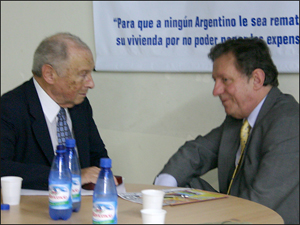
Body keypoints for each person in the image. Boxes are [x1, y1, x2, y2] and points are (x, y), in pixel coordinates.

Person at [154, 37, 299, 224]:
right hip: (235, 210)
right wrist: (163, 191)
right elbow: (196, 151)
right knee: (179, 183)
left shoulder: (290, 123)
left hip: (261, 217)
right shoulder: (239, 117)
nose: (216, 90)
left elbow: (260, 202)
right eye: (215, 80)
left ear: (256, 79)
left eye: (225, 80)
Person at [1, 32, 115, 190]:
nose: (91, 83)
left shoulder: (80, 105)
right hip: (32, 209)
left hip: (82, 205)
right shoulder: (9, 108)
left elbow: (97, 157)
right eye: (83, 74)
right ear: (49, 74)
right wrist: (71, 176)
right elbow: (3, 167)